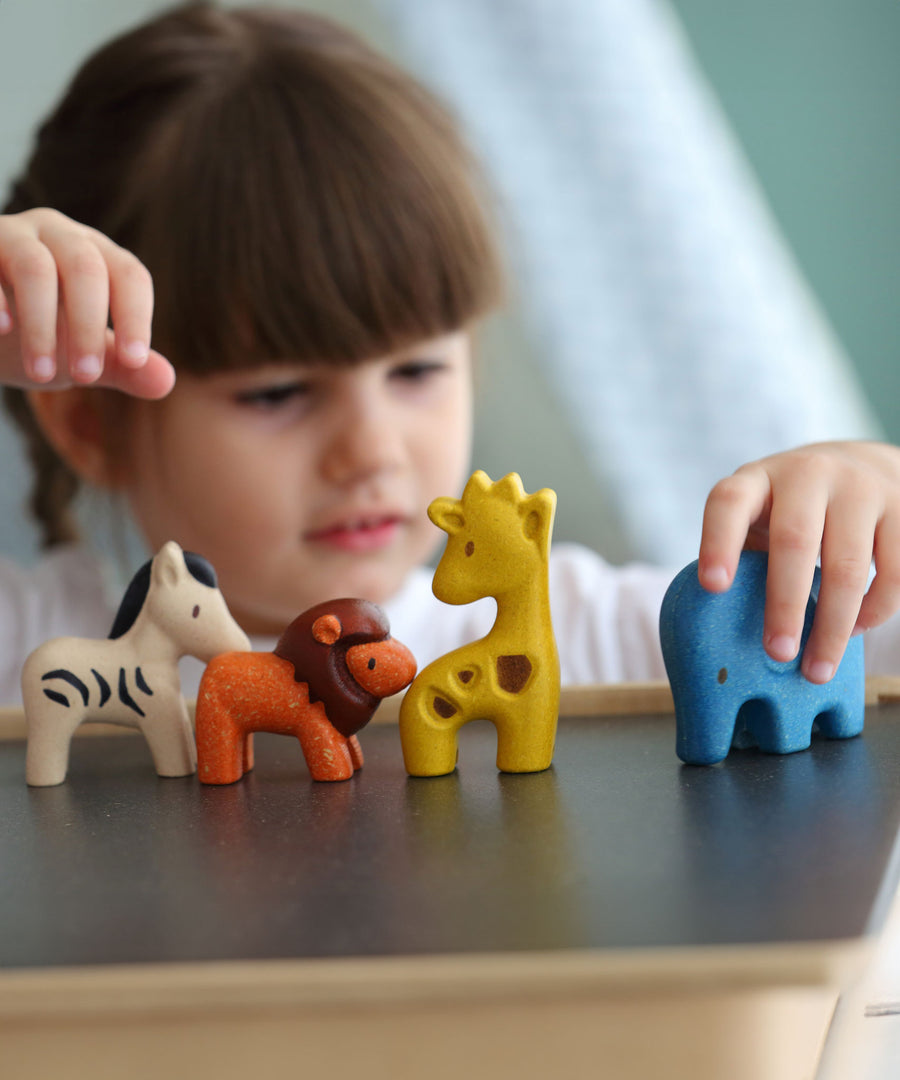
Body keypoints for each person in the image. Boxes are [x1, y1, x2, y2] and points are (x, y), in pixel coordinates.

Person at [1, 1, 899, 705]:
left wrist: (878, 507)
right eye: (277, 392)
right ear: (86, 420)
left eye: (417, 372)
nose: (374, 452)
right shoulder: (32, 657)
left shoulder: (594, 638)